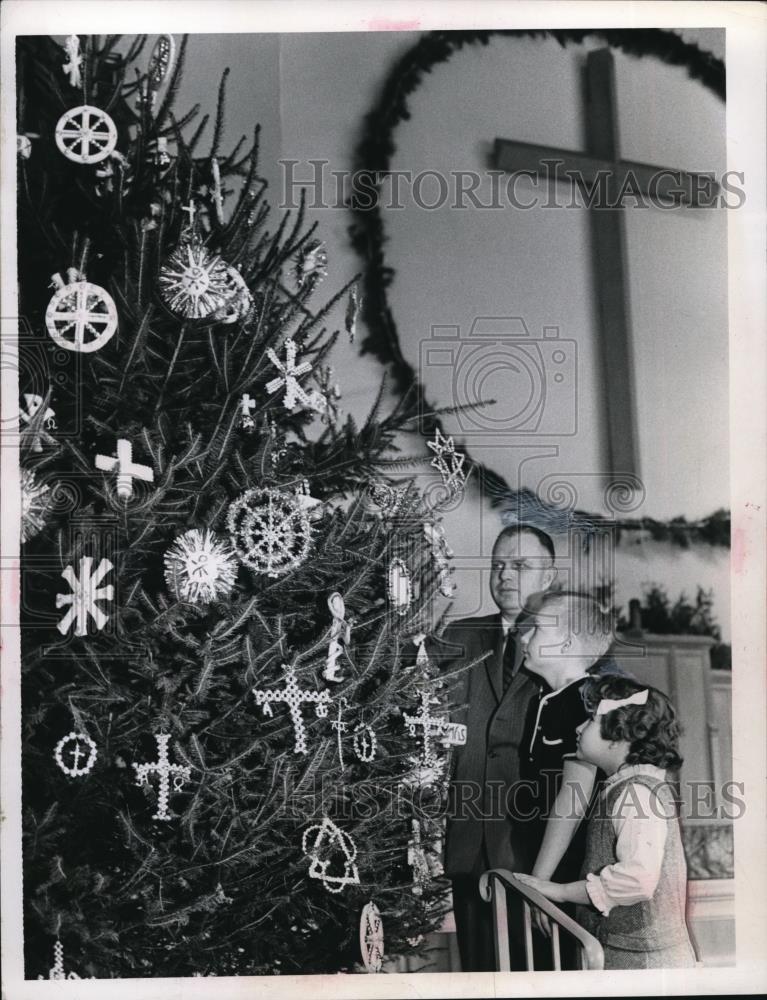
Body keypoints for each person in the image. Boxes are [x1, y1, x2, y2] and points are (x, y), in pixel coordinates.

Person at [435, 524, 556, 972]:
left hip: (537, 847)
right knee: (481, 971)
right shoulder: (459, 637)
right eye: (498, 565)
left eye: (521, 565)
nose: (505, 574)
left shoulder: (567, 641)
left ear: (547, 577)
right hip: (469, 843)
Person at [516, 676, 698, 970]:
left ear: (618, 738)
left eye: (589, 722)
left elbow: (638, 879)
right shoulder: (626, 787)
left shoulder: (636, 793)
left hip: (644, 966)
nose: (577, 728)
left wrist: (561, 891)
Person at [518, 591, 625, 966]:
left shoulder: (583, 700)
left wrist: (540, 885)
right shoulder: (542, 701)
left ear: (564, 643)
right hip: (544, 859)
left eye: (534, 630)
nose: (523, 638)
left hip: (572, 869)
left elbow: (573, 798)